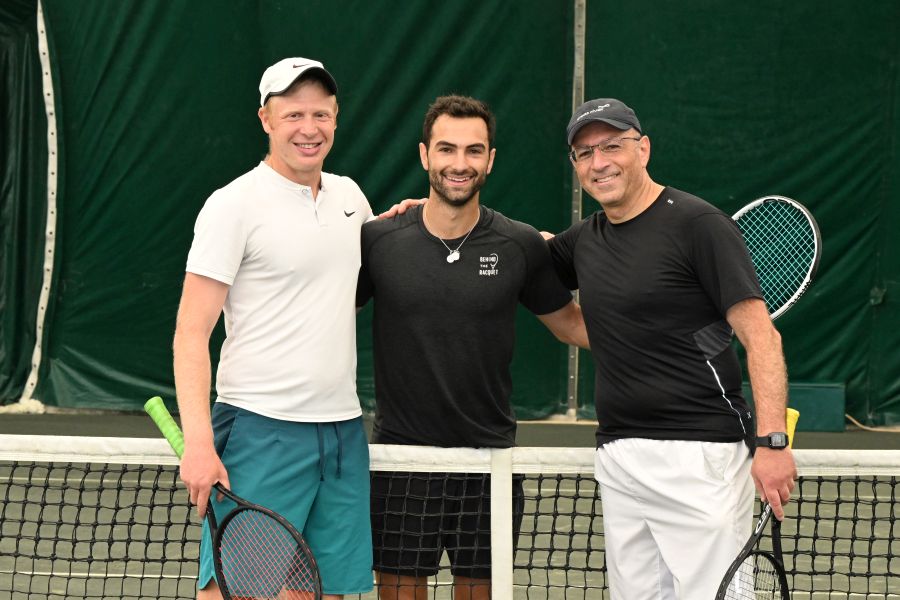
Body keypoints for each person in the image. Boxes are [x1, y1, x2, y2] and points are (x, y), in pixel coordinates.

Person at [546, 98, 797, 600]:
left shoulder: (699, 224)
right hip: (618, 455)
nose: (599, 162)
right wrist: (429, 214)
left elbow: (762, 336)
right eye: (584, 153)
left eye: (612, 146)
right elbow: (521, 249)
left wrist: (772, 442)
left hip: (700, 458)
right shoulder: (584, 241)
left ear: (643, 149)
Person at [356, 95, 590, 600]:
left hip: (489, 464)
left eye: (473, 150)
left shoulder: (520, 244)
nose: (459, 163)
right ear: (425, 154)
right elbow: (324, 314)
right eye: (446, 149)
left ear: (490, 159)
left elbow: (574, 327)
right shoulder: (377, 240)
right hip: (402, 464)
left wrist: (663, 331)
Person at [172, 57, 373, 600]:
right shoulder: (232, 205)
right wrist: (199, 443)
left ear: (336, 118)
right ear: (265, 119)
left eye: (321, 114)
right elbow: (191, 332)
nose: (309, 129)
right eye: (293, 115)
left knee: (318, 592)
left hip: (343, 431)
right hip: (261, 429)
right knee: (235, 593)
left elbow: (347, 285)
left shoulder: (351, 199)